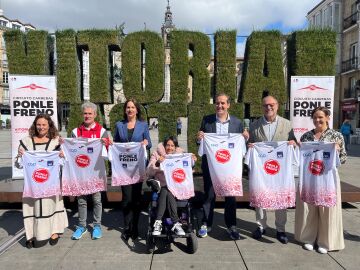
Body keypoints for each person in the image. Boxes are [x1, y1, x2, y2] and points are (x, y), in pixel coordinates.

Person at [196, 93, 249, 240]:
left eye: (223, 103)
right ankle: (206, 223)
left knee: (230, 196)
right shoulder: (207, 121)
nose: (220, 106)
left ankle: (231, 225)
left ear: (228, 105)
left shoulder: (237, 123)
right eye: (217, 103)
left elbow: (241, 147)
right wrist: (200, 139)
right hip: (211, 166)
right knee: (209, 195)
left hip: (230, 168)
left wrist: (245, 138)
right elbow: (201, 144)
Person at [295, 106, 346, 254]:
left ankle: (325, 242)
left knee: (327, 210)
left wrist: (336, 152)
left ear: (328, 118)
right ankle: (308, 239)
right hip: (310, 177)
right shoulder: (306, 137)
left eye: (321, 117)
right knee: (308, 208)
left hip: (327, 178)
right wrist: (296, 147)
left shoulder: (336, 136)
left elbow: (343, 158)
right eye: (315, 117)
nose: (317, 120)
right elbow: (301, 158)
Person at [248, 95, 296, 244]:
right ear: (262, 107)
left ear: (277, 105)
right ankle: (261, 226)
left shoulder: (287, 125)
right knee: (260, 196)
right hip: (262, 171)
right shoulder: (254, 125)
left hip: (279, 170)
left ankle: (280, 229)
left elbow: (293, 144)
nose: (268, 108)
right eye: (265, 105)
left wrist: (292, 144)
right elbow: (250, 143)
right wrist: (249, 145)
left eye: (271, 105)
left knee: (280, 198)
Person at [15, 114, 68, 248]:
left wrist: (62, 156)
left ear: (49, 126)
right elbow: (18, 164)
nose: (41, 127)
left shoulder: (55, 142)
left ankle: (54, 232)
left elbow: (64, 163)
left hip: (50, 184)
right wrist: (21, 156)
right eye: (38, 124)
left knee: (51, 206)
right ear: (35, 125)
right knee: (32, 209)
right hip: (32, 185)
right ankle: (31, 235)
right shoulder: (26, 142)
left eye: (44, 124)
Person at [113, 98, 152, 240]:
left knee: (136, 198)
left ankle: (135, 227)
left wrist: (145, 143)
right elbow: (116, 143)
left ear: (137, 110)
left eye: (132, 107)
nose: (130, 110)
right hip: (124, 168)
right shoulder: (119, 125)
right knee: (126, 198)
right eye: (128, 107)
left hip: (137, 167)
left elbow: (149, 144)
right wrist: (111, 144)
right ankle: (127, 227)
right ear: (125, 110)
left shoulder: (143, 125)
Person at [71, 102, 110, 240]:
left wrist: (107, 145)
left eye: (90, 113)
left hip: (96, 172)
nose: (87, 116)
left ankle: (97, 226)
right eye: (85, 113)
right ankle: (82, 226)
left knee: (97, 200)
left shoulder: (102, 131)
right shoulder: (76, 132)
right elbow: (71, 151)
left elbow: (108, 152)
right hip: (81, 172)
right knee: (81, 200)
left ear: (95, 115)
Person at [147, 136, 196, 236]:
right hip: (161, 185)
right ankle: (175, 222)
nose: (170, 148)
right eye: (168, 145)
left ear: (175, 147)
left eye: (172, 146)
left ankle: (158, 221)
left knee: (169, 189)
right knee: (167, 189)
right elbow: (149, 171)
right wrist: (157, 163)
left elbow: (188, 168)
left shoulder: (180, 155)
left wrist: (193, 161)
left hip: (176, 185)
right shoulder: (156, 154)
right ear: (164, 146)